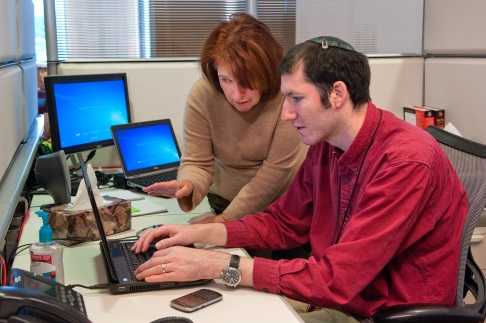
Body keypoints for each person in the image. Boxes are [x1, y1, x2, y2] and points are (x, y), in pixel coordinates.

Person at [132, 36, 468, 322]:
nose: (287, 113)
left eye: (296, 99)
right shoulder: (327, 144)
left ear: (337, 94)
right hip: (339, 295)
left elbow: (337, 279)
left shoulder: (404, 161)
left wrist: (219, 265)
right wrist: (198, 233)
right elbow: (284, 223)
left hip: (375, 311)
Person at [143, 13, 307, 223]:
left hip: (280, 207)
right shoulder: (204, 94)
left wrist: (224, 223)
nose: (237, 94)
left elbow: (274, 176)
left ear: (267, 72)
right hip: (223, 201)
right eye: (226, 80)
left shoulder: (287, 96)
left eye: (247, 81)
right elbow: (197, 162)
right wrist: (187, 185)